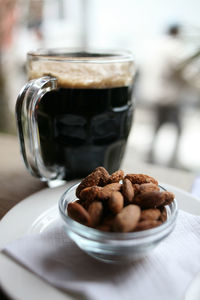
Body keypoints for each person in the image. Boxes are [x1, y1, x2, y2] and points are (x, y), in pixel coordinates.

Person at [136, 24, 187, 167]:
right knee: (178, 128)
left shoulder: (154, 46)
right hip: (169, 97)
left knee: (156, 126)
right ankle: (173, 159)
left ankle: (150, 155)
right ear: (177, 32)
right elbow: (182, 70)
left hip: (154, 94)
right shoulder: (174, 47)